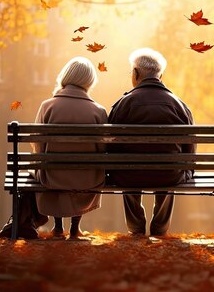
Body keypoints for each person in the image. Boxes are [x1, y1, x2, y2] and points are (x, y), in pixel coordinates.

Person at [107, 48, 195, 237]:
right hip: (168, 176)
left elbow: (111, 147)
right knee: (173, 168)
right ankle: (160, 228)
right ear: (160, 76)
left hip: (130, 176)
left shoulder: (123, 104)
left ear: (136, 74)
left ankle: (136, 227)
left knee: (124, 169)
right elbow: (189, 151)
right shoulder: (179, 105)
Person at [32, 57, 108, 239]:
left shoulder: (47, 106)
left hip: (52, 176)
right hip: (87, 178)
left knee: (44, 166)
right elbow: (103, 148)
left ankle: (58, 227)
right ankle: (75, 228)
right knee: (85, 170)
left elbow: (38, 144)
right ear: (89, 81)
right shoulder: (98, 110)